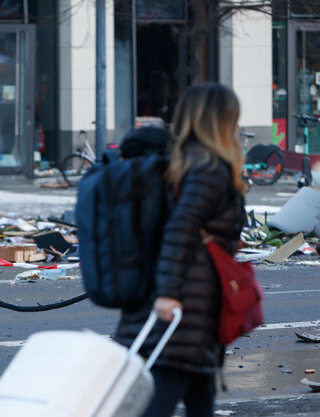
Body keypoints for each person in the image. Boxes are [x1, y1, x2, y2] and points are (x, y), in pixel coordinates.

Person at [113, 82, 247, 417]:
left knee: (200, 395)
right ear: (219, 121)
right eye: (234, 118)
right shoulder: (209, 170)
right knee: (162, 398)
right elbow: (179, 229)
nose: (239, 126)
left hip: (186, 306)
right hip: (184, 308)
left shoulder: (181, 164)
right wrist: (169, 295)